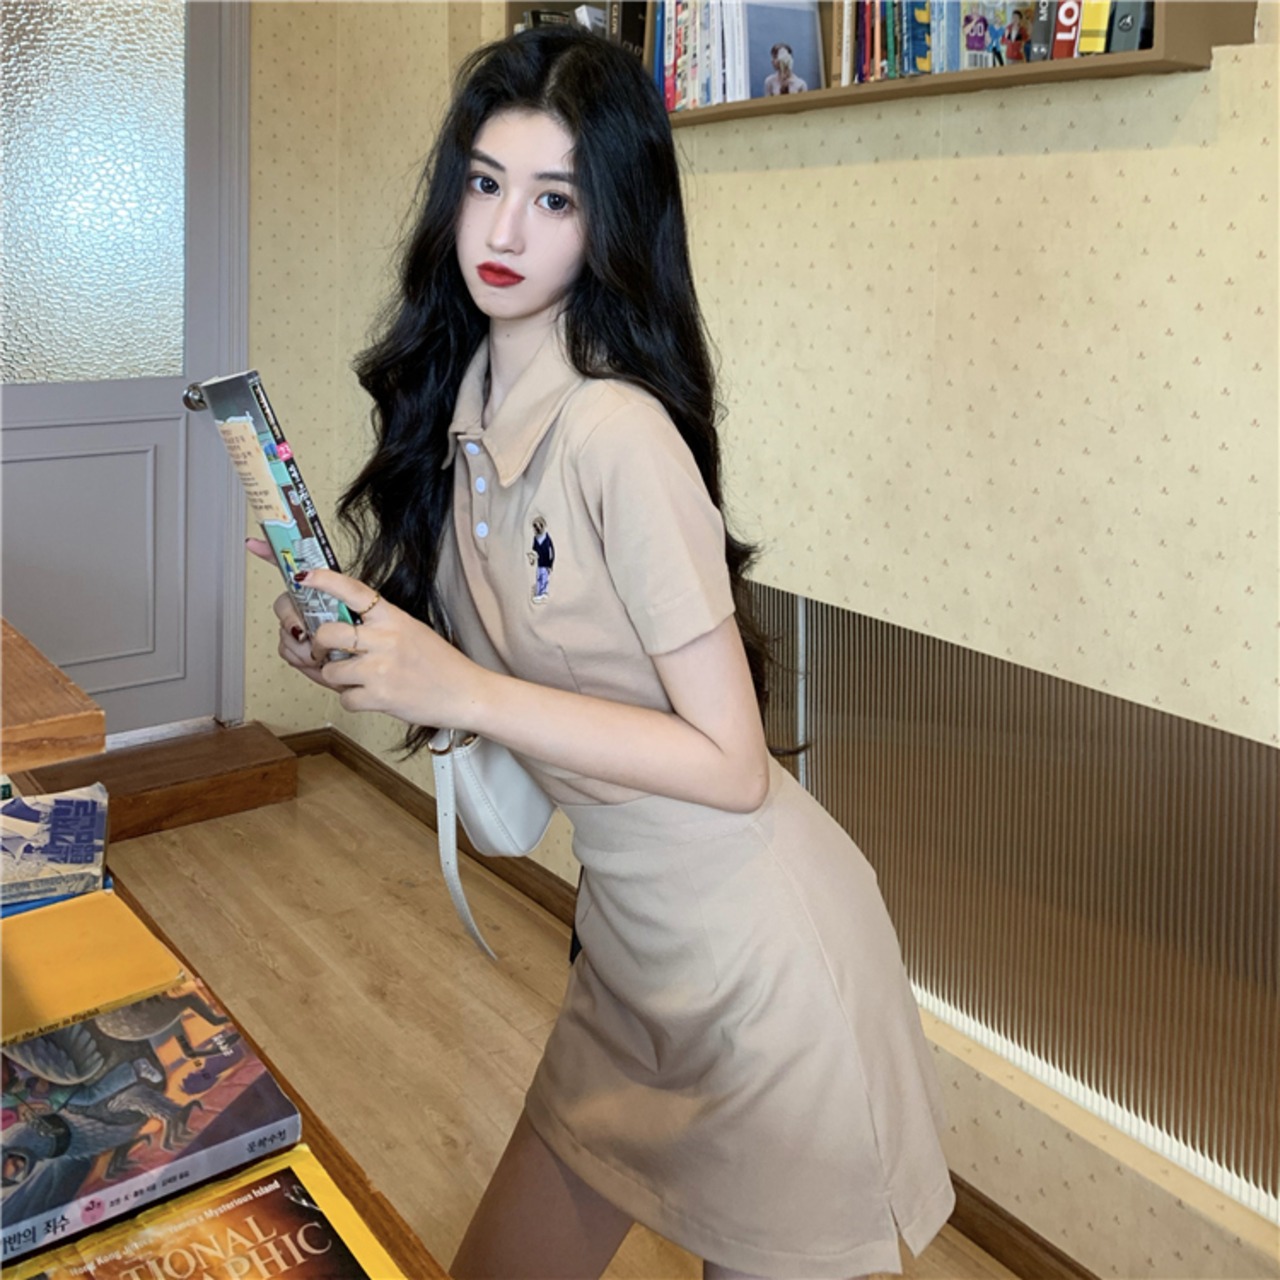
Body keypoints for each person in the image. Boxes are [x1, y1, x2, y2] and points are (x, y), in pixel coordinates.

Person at [252, 25, 954, 1280]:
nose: (501, 230)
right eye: (485, 182)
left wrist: (464, 686)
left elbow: (731, 762)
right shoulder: (458, 418)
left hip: (767, 974)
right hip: (629, 959)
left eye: (553, 198)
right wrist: (364, 650)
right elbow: (514, 709)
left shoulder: (617, 433)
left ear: (609, 220)